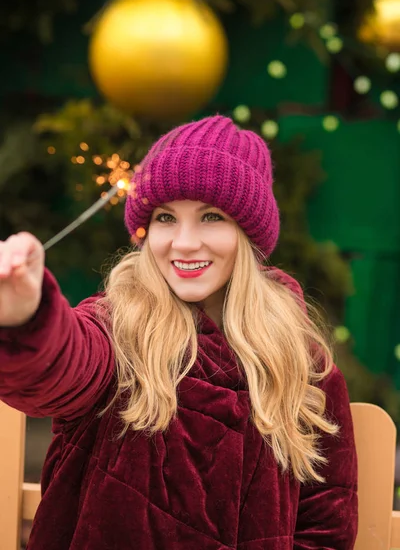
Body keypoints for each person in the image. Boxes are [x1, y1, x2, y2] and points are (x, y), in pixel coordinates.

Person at [0, 115, 358, 549]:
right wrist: (27, 315)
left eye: (211, 217)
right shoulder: (118, 327)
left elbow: (326, 528)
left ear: (247, 233)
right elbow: (62, 366)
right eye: (166, 218)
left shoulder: (301, 363)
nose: (184, 242)